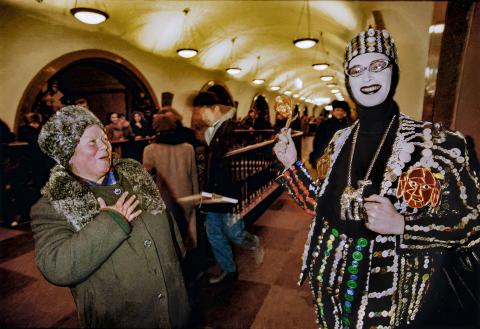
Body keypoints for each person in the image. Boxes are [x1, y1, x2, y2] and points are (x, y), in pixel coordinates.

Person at [273, 27, 480, 328]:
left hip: (391, 303)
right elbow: (319, 205)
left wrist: (403, 225)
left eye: (377, 66)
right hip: (329, 289)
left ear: (393, 72)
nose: (367, 78)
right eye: (356, 70)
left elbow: (472, 225)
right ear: (348, 80)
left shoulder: (439, 145)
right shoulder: (339, 140)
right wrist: (292, 165)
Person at [30, 105, 190, 328]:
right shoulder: (54, 205)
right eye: (92, 142)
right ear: (69, 153)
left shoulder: (135, 175)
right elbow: (56, 266)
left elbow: (169, 228)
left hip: (175, 309)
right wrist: (110, 222)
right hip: (121, 318)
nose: (105, 146)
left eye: (104, 137)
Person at [193, 91, 264, 284]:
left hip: (228, 192)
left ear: (215, 109)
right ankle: (229, 270)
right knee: (214, 233)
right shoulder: (213, 130)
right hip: (212, 192)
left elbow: (238, 161)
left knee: (235, 233)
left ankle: (254, 242)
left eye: (203, 111)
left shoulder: (230, 129)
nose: (201, 116)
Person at [309, 100, 351, 170]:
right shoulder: (325, 125)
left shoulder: (347, 125)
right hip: (328, 158)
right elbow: (318, 142)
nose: (340, 112)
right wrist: (319, 157)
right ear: (333, 111)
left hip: (343, 159)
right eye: (337, 110)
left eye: (342, 110)